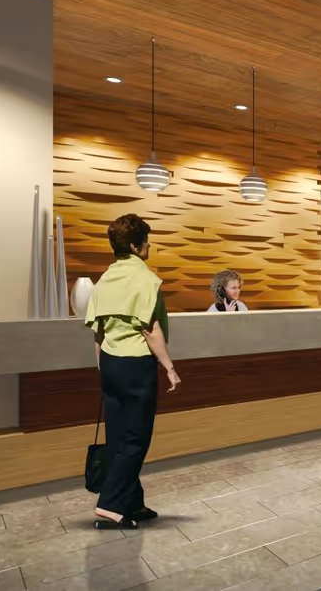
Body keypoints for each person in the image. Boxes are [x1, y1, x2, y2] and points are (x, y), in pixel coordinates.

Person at [84, 214, 181, 530]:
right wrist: (169, 368)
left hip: (110, 363)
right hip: (137, 366)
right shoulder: (147, 280)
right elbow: (150, 330)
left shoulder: (105, 280)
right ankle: (111, 505)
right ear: (138, 246)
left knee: (118, 436)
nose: (150, 245)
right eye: (147, 241)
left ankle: (132, 503)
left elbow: (97, 331)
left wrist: (102, 364)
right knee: (136, 438)